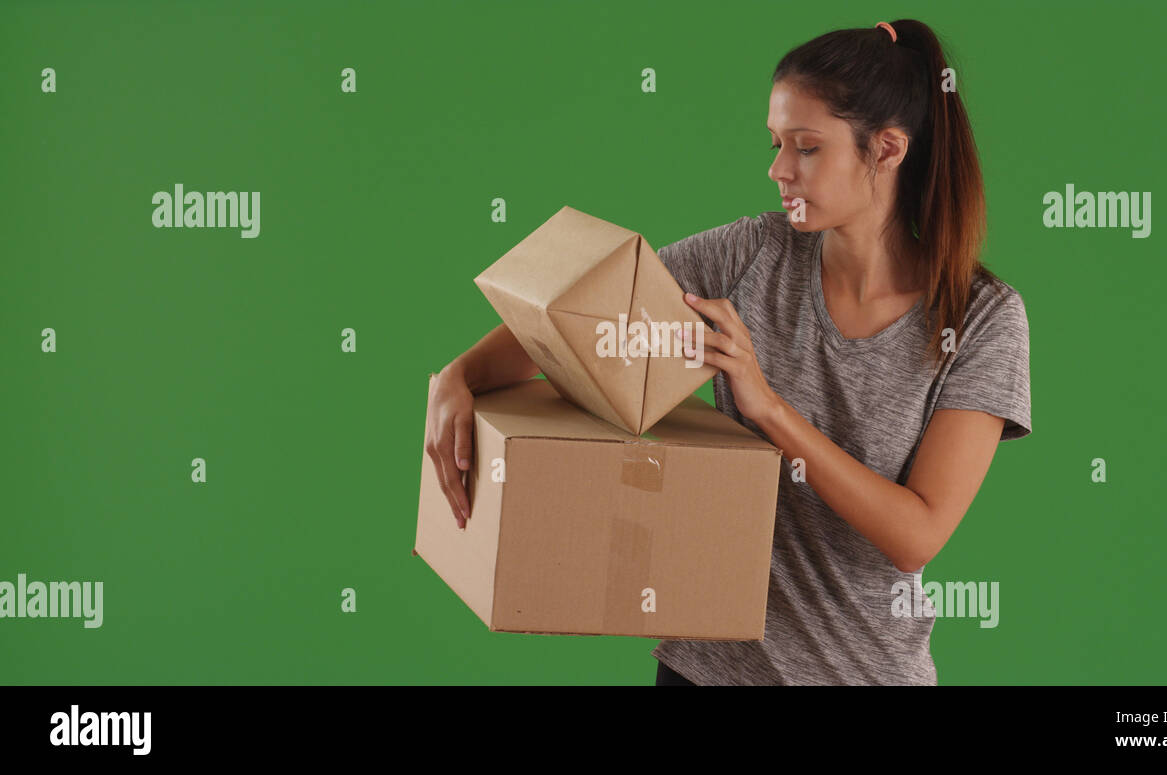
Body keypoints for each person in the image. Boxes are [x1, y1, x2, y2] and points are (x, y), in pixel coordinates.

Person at [426, 19, 1031, 686]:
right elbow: (581, 314)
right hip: (705, 668)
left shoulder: (981, 318)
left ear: (886, 149)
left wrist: (768, 408)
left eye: (806, 147)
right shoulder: (751, 255)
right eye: (776, 143)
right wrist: (458, 376)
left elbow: (917, 534)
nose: (778, 169)